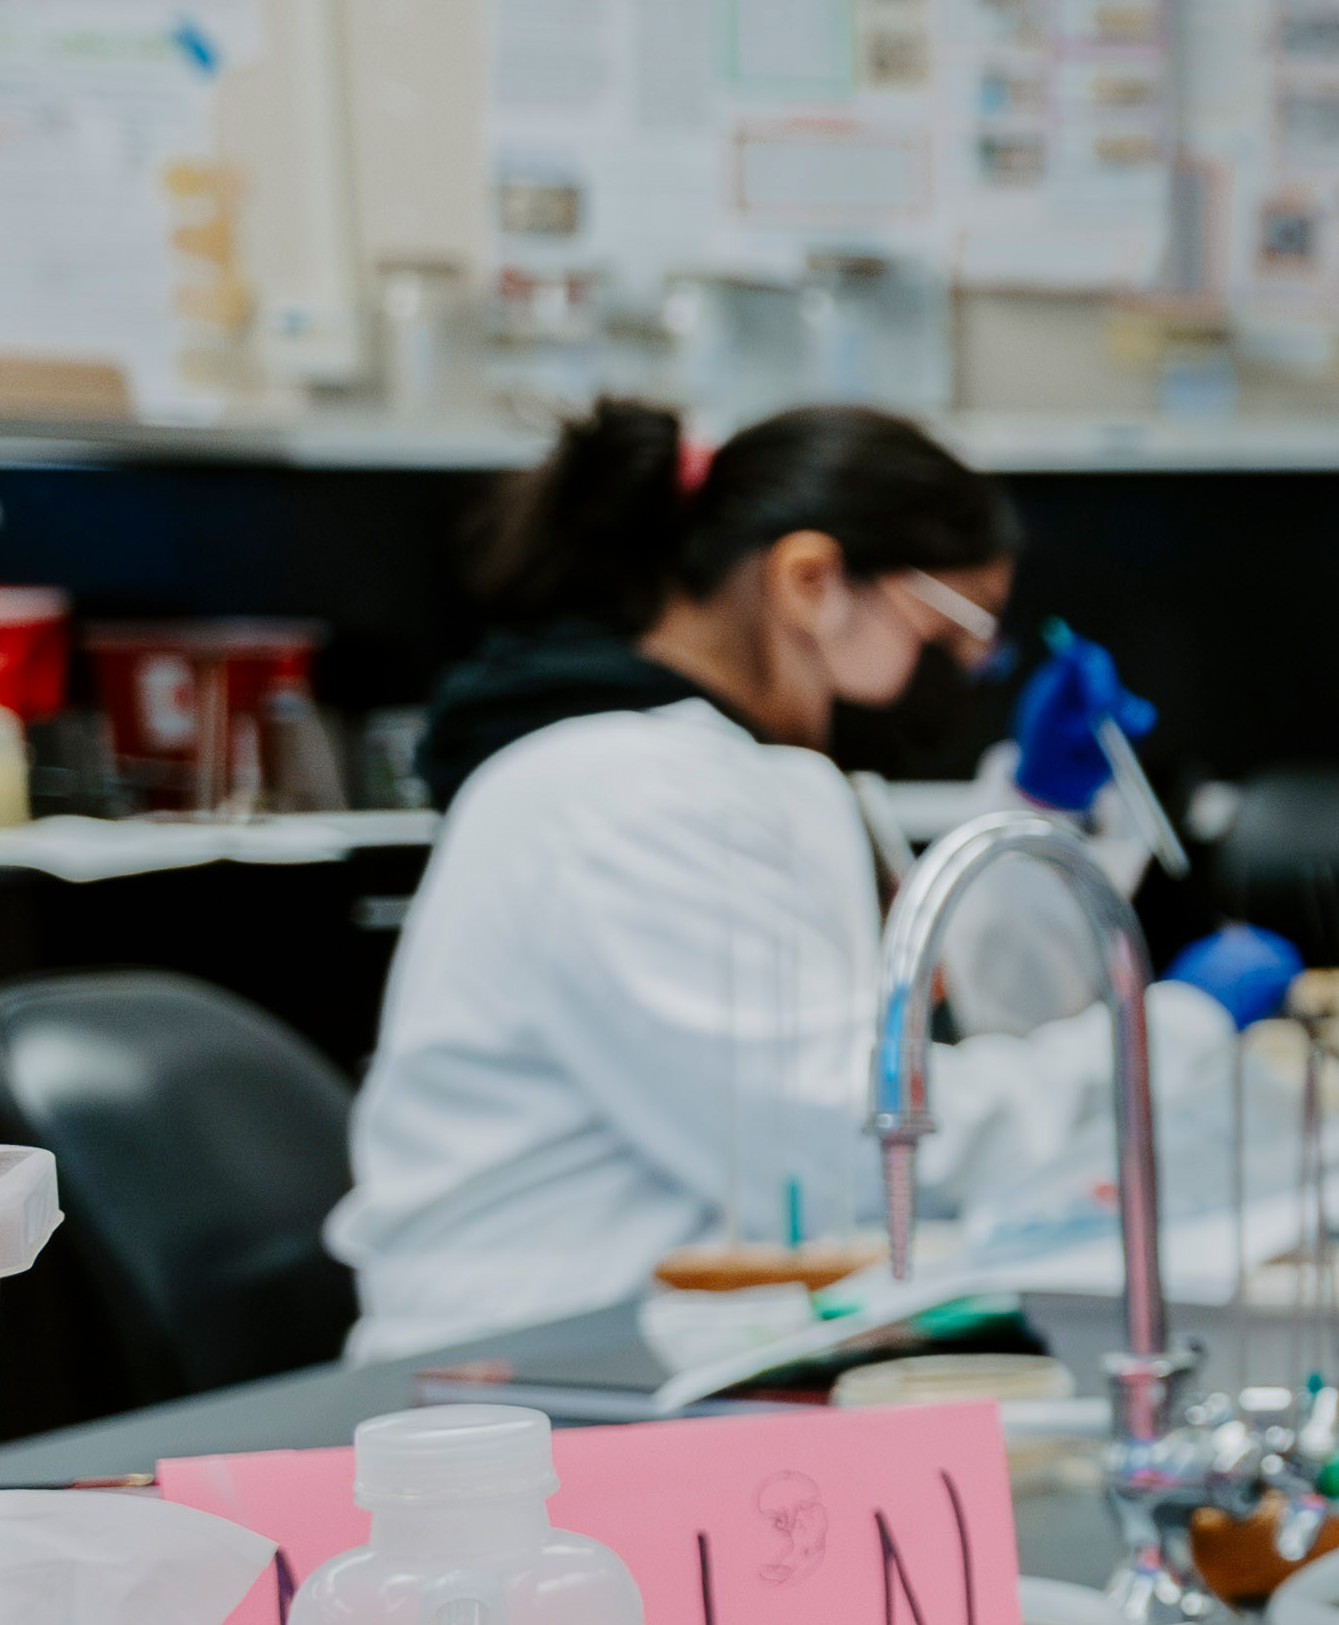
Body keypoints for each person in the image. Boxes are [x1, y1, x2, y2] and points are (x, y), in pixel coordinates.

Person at [333, 401, 1250, 1354]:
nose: (969, 672)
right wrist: (1166, 1040)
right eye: (950, 630)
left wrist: (1039, 804)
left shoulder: (718, 776)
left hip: (650, 1336)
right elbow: (851, 1146)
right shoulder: (626, 797)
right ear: (811, 581)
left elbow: (921, 1022)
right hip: (523, 1372)